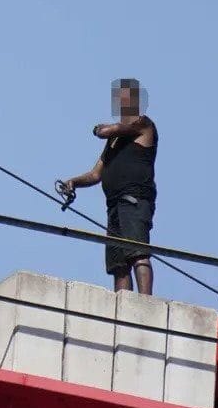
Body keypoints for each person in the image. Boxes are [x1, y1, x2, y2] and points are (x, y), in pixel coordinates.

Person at [62, 78, 158, 295]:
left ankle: (146, 304)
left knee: (138, 252)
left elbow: (106, 130)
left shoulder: (143, 124)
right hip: (114, 205)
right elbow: (96, 174)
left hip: (134, 199)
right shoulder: (114, 140)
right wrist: (74, 182)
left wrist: (97, 128)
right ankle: (122, 308)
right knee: (118, 264)